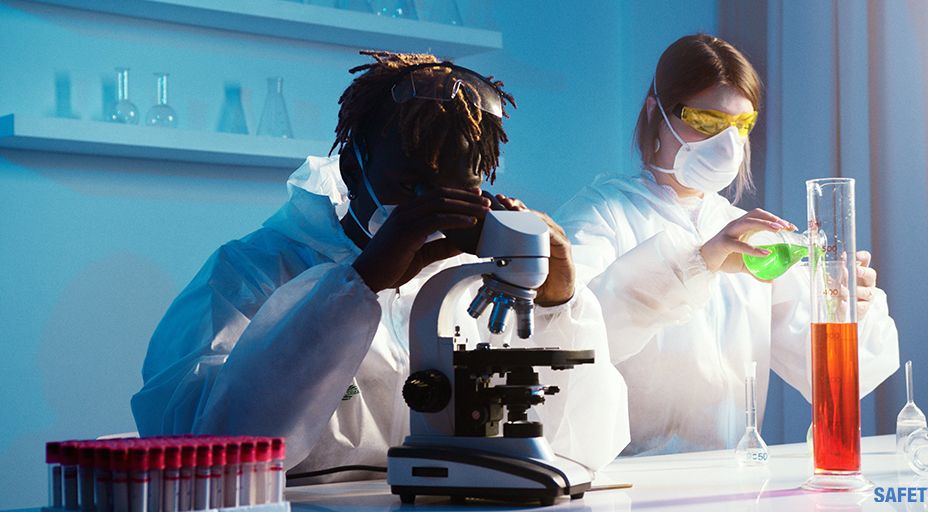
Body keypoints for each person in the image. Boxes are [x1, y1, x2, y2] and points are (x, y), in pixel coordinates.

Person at [131, 51, 629, 480]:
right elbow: (200, 451)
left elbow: (588, 443)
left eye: (458, 188)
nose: (431, 208)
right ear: (353, 165)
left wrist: (560, 302)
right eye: (412, 184)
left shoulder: (476, 285)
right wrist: (359, 284)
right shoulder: (250, 271)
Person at [555, 34, 899, 456]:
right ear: (654, 112)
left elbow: (827, 377)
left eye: (742, 126)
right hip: (626, 477)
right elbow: (571, 339)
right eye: (706, 121)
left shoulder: (746, 233)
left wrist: (847, 309)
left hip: (729, 473)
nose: (728, 145)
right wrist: (698, 263)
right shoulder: (602, 213)